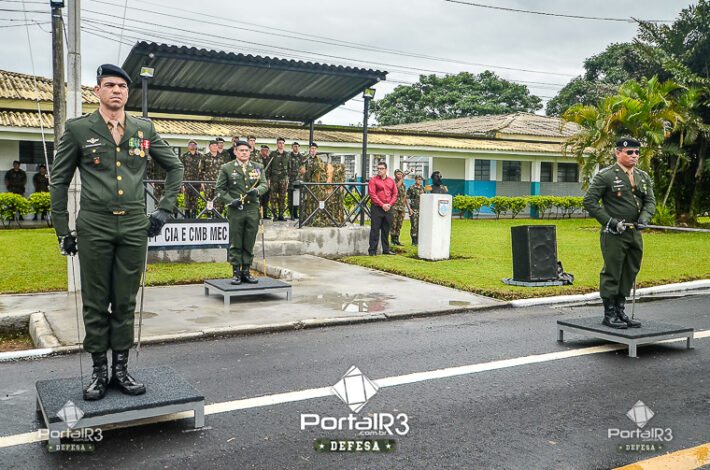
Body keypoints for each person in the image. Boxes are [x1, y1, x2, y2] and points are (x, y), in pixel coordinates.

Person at [49, 64, 183, 400]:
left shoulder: (143, 128)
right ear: (97, 91)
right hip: (95, 225)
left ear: (127, 92)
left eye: (122, 86)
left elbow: (175, 166)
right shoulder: (79, 129)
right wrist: (63, 229)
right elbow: (59, 180)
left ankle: (121, 370)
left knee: (125, 300)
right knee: (95, 301)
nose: (116, 91)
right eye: (109, 85)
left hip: (134, 226)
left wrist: (164, 209)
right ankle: (99, 372)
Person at [583, 137, 656, 329]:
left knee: (630, 269)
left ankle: (620, 310)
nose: (634, 156)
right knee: (613, 271)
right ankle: (609, 313)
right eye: (629, 152)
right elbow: (589, 201)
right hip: (614, 234)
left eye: (637, 152)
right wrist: (610, 222)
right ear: (618, 153)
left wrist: (644, 218)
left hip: (634, 233)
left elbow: (650, 201)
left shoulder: (642, 176)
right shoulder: (606, 176)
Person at [216, 140, 268, 285]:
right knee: (236, 241)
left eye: (246, 150)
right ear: (235, 152)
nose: (244, 153)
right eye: (241, 150)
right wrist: (230, 201)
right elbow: (219, 190)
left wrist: (257, 191)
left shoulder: (258, 167)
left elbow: (264, 184)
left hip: (252, 210)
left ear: (250, 152)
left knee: (249, 241)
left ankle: (246, 271)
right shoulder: (227, 168)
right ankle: (236, 273)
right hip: (236, 210)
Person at [367, 161, 397, 256]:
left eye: (382, 169)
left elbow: (395, 194)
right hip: (377, 208)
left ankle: (386, 250)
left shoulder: (391, 181)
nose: (379, 170)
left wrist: (389, 204)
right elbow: (372, 194)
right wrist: (382, 205)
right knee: (375, 229)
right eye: (378, 169)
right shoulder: (373, 180)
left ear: (386, 170)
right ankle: (372, 251)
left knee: (386, 229)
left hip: (388, 208)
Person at [199, 139, 228, 217]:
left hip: (219, 183)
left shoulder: (222, 157)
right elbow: (201, 170)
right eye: (213, 145)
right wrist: (202, 182)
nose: (215, 147)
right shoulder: (204, 157)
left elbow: (225, 171)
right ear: (209, 147)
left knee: (219, 202)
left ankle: (217, 217)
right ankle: (209, 217)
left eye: (216, 145)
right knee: (208, 201)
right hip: (208, 183)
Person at [268, 137, 290, 221]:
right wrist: (268, 179)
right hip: (274, 179)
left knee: (282, 197)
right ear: (277, 144)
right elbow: (269, 167)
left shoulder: (287, 154)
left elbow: (289, 168)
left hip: (283, 179)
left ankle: (281, 215)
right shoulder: (272, 154)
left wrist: (287, 180)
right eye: (279, 143)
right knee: (273, 198)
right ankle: (274, 215)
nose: (281, 144)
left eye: (282, 143)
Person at [180, 139, 202, 218]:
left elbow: (203, 169)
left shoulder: (201, 156)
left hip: (197, 181)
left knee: (195, 200)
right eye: (190, 144)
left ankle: (194, 216)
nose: (192, 146)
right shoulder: (184, 156)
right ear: (188, 146)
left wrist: (202, 182)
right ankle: (186, 216)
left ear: (196, 146)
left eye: (194, 144)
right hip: (187, 181)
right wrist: (182, 183)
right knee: (187, 200)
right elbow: (181, 169)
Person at [406, 175, 426, 246]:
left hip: (421, 209)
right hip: (414, 209)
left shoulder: (423, 188)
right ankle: (414, 241)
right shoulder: (411, 188)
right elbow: (406, 198)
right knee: (414, 225)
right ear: (415, 180)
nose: (420, 181)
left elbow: (425, 198)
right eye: (418, 179)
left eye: (421, 180)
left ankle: (419, 240)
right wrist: (409, 209)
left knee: (421, 225)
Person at [390, 169, 407, 246]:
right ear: (395, 175)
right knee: (393, 223)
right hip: (395, 206)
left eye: (401, 174)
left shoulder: (403, 184)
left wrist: (408, 208)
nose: (400, 176)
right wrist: (402, 178)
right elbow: (396, 187)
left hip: (402, 207)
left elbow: (404, 196)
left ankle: (397, 239)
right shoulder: (393, 182)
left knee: (399, 224)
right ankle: (392, 239)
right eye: (398, 174)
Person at [287, 142, 304, 220]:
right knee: (291, 198)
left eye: (297, 146)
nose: (296, 148)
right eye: (294, 146)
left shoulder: (301, 157)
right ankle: (291, 214)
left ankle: (296, 213)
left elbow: (303, 168)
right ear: (292, 147)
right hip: (291, 180)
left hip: (299, 180)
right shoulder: (288, 156)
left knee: (297, 198)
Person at [258, 145, 271, 219]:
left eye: (266, 150)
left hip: (267, 181)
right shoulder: (258, 159)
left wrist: (269, 180)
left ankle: (265, 214)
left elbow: (270, 171)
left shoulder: (269, 159)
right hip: (259, 181)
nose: (265, 152)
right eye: (263, 150)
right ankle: (259, 215)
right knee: (259, 198)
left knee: (266, 198)